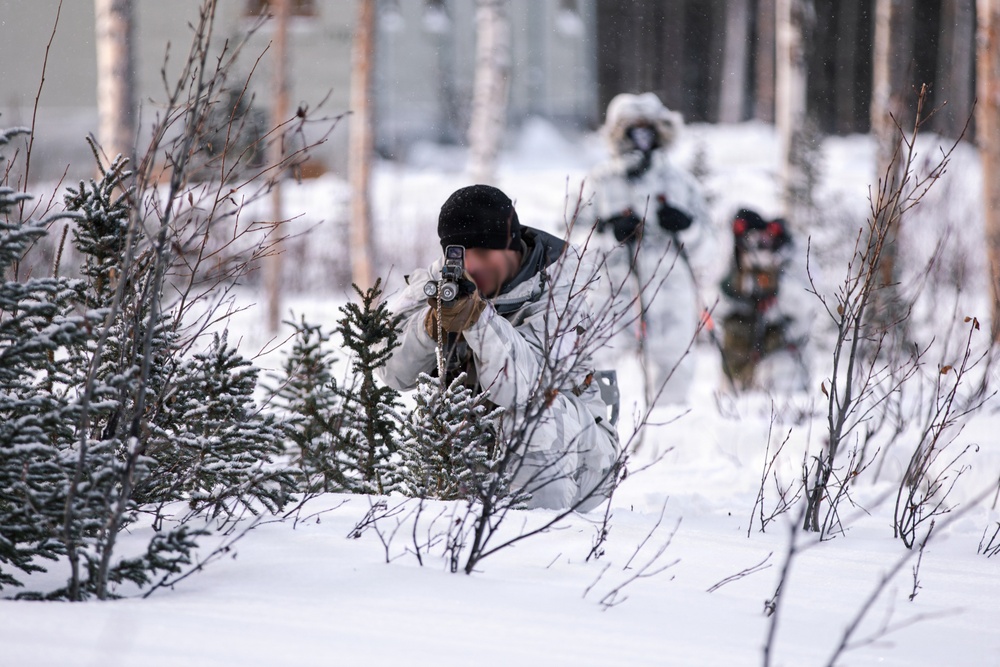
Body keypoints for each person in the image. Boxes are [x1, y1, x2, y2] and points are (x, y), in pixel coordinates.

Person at [378, 184, 620, 511]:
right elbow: (388, 368)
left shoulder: (562, 290)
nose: (472, 266)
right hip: (479, 452)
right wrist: (427, 327)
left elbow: (525, 388)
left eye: (482, 253)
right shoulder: (445, 279)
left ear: (511, 246)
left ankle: (535, 533)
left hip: (584, 458)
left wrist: (478, 320)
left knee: (531, 417)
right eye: (460, 253)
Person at [584, 92, 710, 405]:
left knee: (674, 376)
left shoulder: (681, 184)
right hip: (612, 297)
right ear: (618, 132)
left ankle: (669, 429)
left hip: (672, 295)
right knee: (599, 372)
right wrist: (609, 234)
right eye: (633, 127)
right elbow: (570, 248)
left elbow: (710, 251)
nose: (641, 135)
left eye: (648, 127)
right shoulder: (599, 183)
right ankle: (604, 424)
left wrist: (687, 227)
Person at [717, 208, 810, 391]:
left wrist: (777, 293)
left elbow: (807, 304)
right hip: (739, 344)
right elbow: (714, 297)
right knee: (734, 389)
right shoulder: (731, 260)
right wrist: (739, 294)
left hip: (782, 345)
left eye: (765, 241)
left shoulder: (792, 259)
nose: (759, 248)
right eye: (751, 240)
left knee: (778, 386)